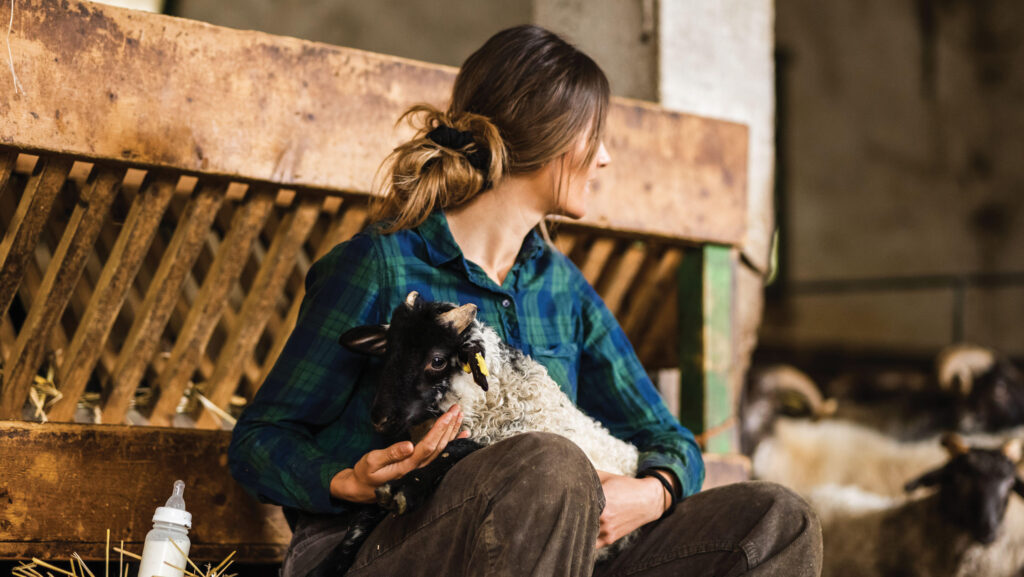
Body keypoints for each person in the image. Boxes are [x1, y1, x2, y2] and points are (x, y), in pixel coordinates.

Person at [228, 24, 822, 577]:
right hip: (387, 545)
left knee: (778, 519)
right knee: (548, 466)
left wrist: (651, 493)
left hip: (563, 550)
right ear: (546, 135)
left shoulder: (559, 287)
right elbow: (261, 438)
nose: (606, 158)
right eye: (595, 136)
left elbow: (668, 437)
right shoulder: (382, 266)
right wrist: (344, 480)